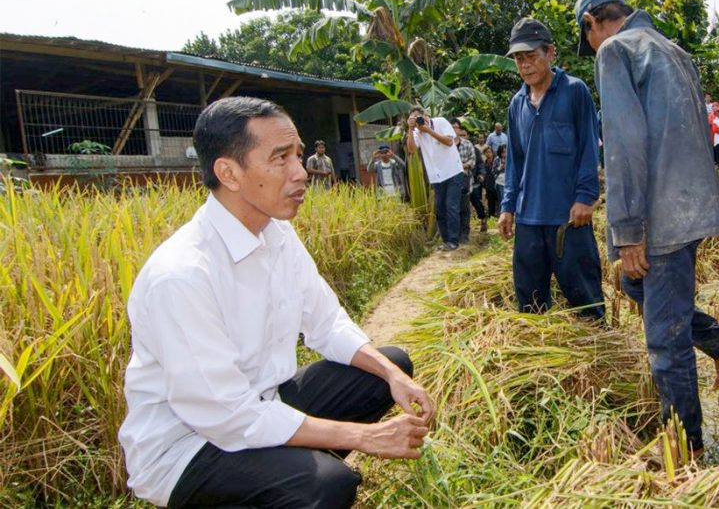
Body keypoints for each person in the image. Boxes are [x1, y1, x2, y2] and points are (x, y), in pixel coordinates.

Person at [118, 97, 435, 509]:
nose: (301, 173)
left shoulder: (276, 234)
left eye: (298, 155)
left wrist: (395, 376)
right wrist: (363, 437)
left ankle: (288, 474)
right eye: (280, 158)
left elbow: (326, 323)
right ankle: (294, 483)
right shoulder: (181, 275)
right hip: (189, 446)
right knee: (327, 486)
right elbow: (228, 417)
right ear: (228, 173)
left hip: (262, 402)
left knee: (386, 366)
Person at [575, 0, 719, 455]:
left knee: (665, 344)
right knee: (635, 288)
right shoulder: (672, 49)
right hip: (695, 208)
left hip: (661, 216)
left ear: (591, 23)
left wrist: (628, 232)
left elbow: (624, 147)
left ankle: (687, 451)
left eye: (587, 36)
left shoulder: (616, 51)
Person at [498, 17, 605, 320]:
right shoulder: (516, 104)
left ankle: (598, 355)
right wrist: (507, 206)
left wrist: (586, 197)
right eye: (519, 59)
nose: (525, 65)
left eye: (531, 56)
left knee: (585, 299)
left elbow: (588, 147)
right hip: (529, 220)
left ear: (550, 53)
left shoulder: (574, 91)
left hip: (568, 219)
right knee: (530, 304)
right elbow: (515, 161)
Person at [406, 105, 463, 251]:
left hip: (452, 171)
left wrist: (428, 130)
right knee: (440, 208)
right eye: (414, 119)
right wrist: (410, 129)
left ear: (425, 115)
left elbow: (449, 142)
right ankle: (446, 241)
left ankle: (454, 241)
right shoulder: (417, 132)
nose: (418, 121)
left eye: (419, 117)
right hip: (436, 176)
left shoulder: (441, 122)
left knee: (451, 206)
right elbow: (411, 149)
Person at [453, 121, 485, 241]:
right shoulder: (446, 144)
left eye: (456, 127)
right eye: (452, 127)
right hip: (450, 182)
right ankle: (455, 234)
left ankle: (465, 233)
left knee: (469, 205)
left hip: (469, 180)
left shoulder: (470, 146)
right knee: (453, 208)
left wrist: (481, 175)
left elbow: (476, 162)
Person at [482, 146, 498, 218]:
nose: (488, 154)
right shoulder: (484, 164)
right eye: (486, 152)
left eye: (489, 152)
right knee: (490, 201)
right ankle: (491, 215)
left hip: (496, 183)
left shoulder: (496, 162)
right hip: (488, 185)